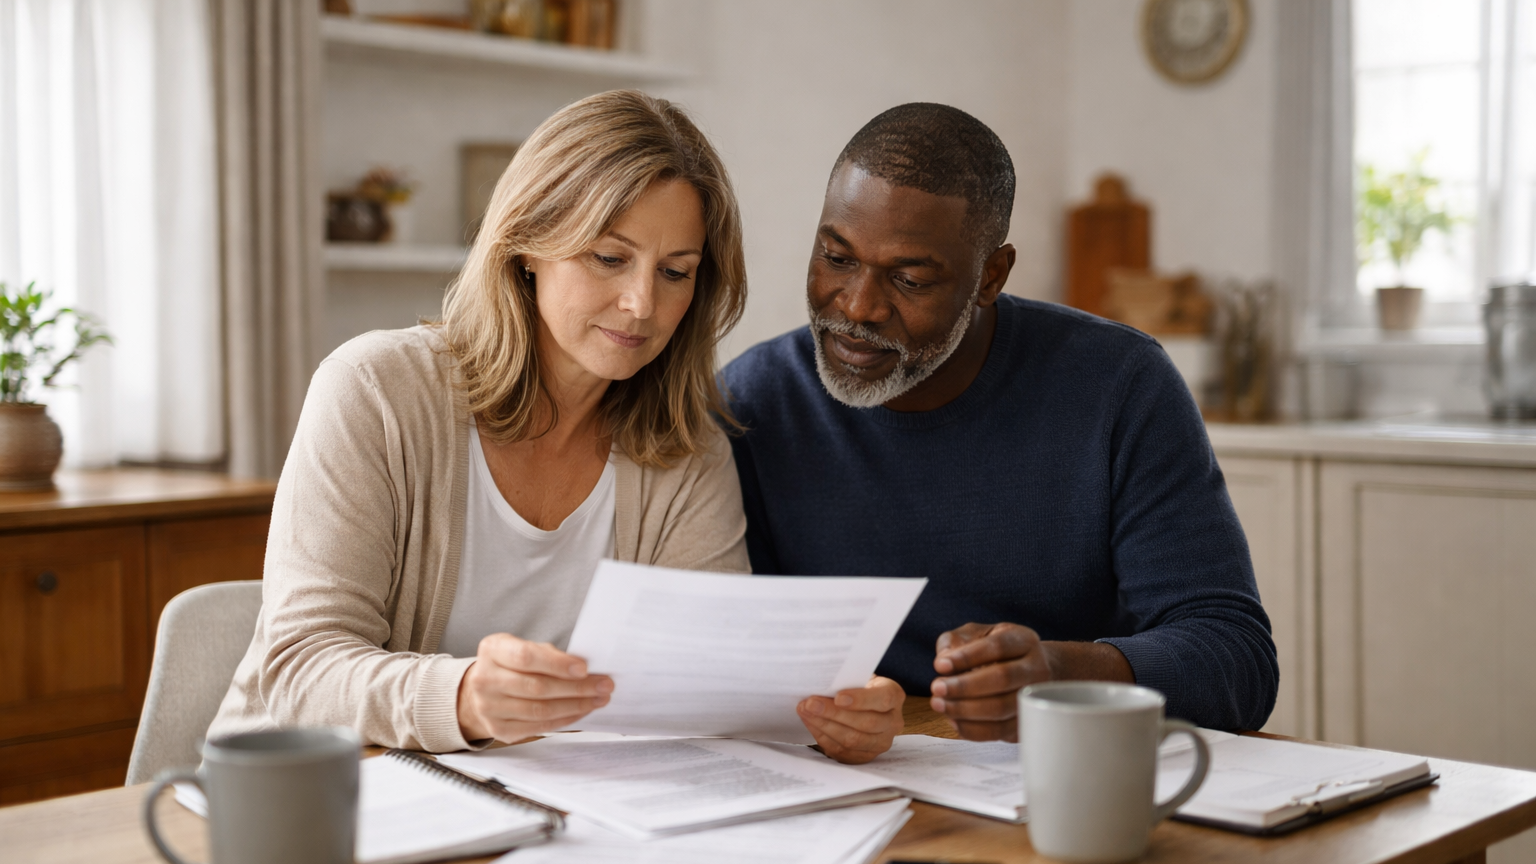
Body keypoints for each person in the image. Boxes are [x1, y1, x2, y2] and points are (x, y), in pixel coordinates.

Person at [208, 91, 901, 763]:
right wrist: (464, 700)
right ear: (526, 246)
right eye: (608, 258)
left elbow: (707, 688)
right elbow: (299, 670)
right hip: (302, 807)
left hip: (538, 812)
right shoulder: (374, 391)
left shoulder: (686, 450)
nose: (641, 304)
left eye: (675, 272)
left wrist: (827, 716)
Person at [723, 103, 1278, 748]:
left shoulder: (1119, 386)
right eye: (836, 258)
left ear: (991, 276)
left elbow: (1236, 660)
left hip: (1066, 774)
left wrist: (1062, 674)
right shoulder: (751, 402)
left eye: (909, 278)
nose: (858, 306)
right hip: (845, 779)